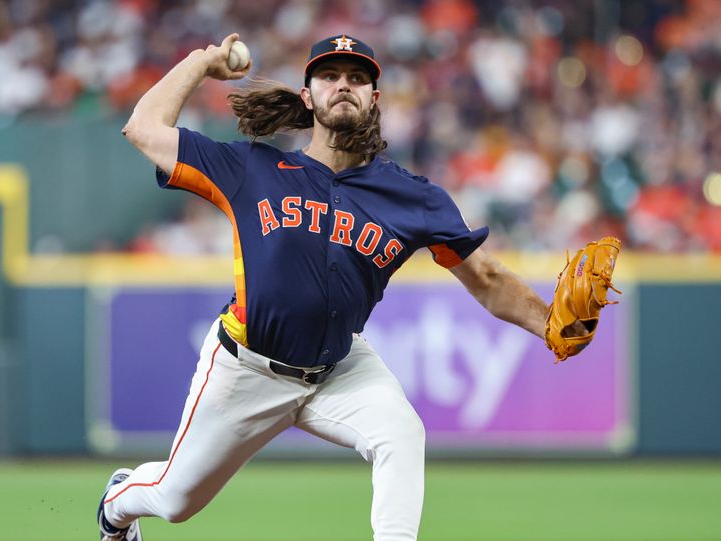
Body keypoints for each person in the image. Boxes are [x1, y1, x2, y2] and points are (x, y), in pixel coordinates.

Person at [97, 33, 564, 541]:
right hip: (247, 367)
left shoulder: (412, 197)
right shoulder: (252, 168)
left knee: (401, 433)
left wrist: (552, 324)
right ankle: (118, 505)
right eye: (330, 76)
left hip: (339, 367)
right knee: (175, 500)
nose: (344, 85)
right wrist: (199, 63)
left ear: (374, 99)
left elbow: (488, 278)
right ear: (308, 95)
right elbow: (142, 128)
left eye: (358, 78)